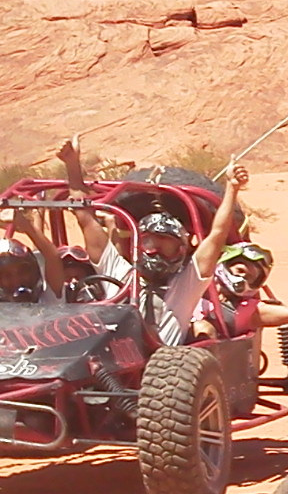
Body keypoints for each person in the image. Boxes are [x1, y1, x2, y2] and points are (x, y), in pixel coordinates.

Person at [61, 141, 242, 347]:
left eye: (165, 241)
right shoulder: (119, 272)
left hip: (163, 370)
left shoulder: (185, 286)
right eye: (148, 239)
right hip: (110, 365)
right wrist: (72, 165)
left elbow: (217, 234)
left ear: (180, 249)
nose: (154, 248)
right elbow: (84, 216)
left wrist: (232, 188)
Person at [192, 243, 288, 339]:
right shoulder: (192, 286)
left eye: (251, 277)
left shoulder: (247, 309)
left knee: (202, 328)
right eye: (240, 270)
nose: (243, 277)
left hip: (199, 368)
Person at [1, 213, 65, 306]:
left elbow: (52, 257)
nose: (16, 280)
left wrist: (26, 226)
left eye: (22, 272)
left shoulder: (48, 301)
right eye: (7, 275)